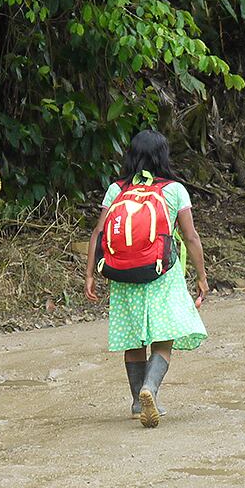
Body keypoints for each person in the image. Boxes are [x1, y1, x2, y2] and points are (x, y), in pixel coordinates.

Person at [84, 129, 209, 428]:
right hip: (161, 274)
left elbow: (99, 234)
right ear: (162, 156)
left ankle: (138, 402)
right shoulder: (174, 190)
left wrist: (89, 274)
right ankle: (149, 388)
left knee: (132, 337)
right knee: (163, 340)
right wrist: (202, 277)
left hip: (124, 274)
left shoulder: (116, 190)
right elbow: (190, 237)